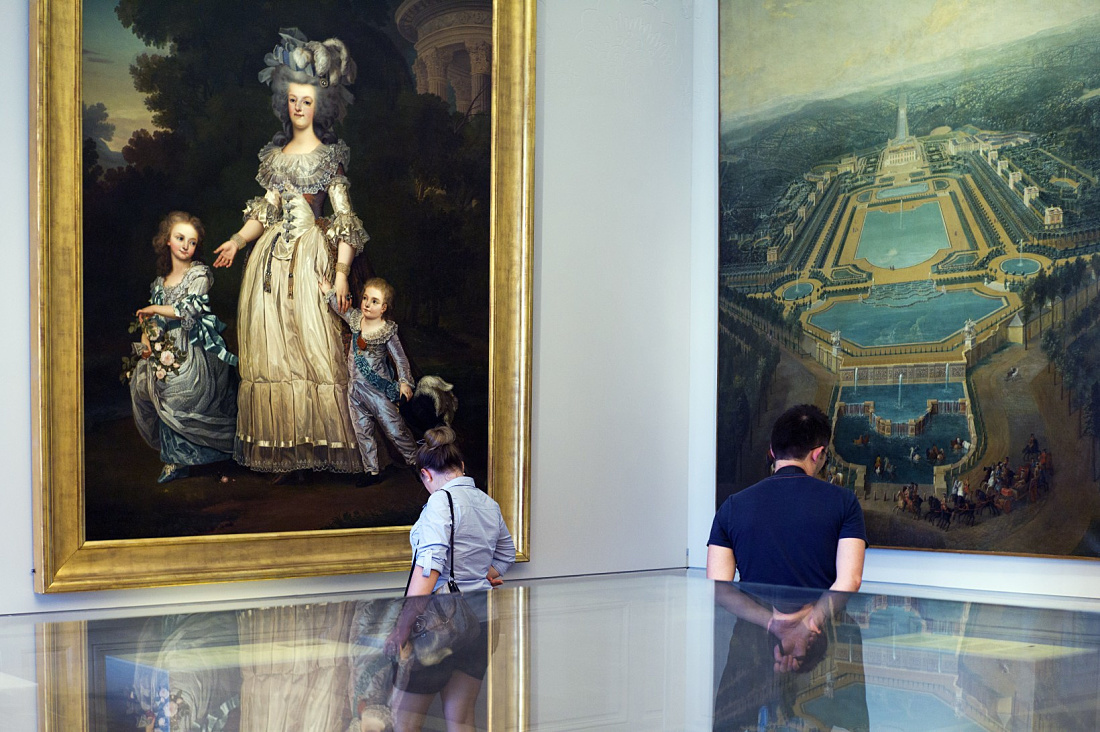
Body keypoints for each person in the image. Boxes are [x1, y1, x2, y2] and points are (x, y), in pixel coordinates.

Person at [213, 28, 365, 475]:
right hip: (271, 266)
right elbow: (267, 209)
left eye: (308, 101)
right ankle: (285, 448)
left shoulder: (329, 157)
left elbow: (345, 222)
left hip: (313, 258)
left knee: (315, 352)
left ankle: (322, 449)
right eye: (293, 100)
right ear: (285, 101)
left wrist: (339, 273)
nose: (299, 108)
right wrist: (240, 241)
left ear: (322, 106)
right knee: (273, 352)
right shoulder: (275, 157)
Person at [707, 404, 868, 732]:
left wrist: (771, 622)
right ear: (819, 453)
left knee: (735, 722)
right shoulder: (844, 503)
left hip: (751, 637)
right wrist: (810, 622)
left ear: (772, 451)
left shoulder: (733, 506)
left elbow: (718, 587)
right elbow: (849, 579)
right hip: (826, 638)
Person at [386, 426, 516, 732]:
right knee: (461, 719)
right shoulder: (488, 503)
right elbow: (505, 558)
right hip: (481, 622)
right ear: (460, 467)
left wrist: (401, 630)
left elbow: (427, 574)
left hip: (438, 626)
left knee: (404, 721)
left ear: (426, 475)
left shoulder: (438, 504)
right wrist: (476, 577)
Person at [129, 211, 238, 483]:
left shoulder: (199, 274)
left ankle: (208, 457)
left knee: (181, 388)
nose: (185, 246)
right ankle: (174, 461)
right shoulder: (159, 284)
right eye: (180, 238)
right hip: (168, 348)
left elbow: (186, 309)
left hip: (195, 348)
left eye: (191, 242)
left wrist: (154, 308)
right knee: (152, 381)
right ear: (167, 241)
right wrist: (145, 347)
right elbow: (152, 324)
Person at [320, 276, 418, 485]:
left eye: (374, 301)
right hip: (355, 390)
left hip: (379, 392)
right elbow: (341, 309)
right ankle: (371, 471)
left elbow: (400, 359)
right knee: (362, 431)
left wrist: (404, 382)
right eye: (365, 298)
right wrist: (329, 291)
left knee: (395, 430)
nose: (367, 304)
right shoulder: (356, 319)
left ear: (384, 307)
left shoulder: (387, 331)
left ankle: (416, 463)